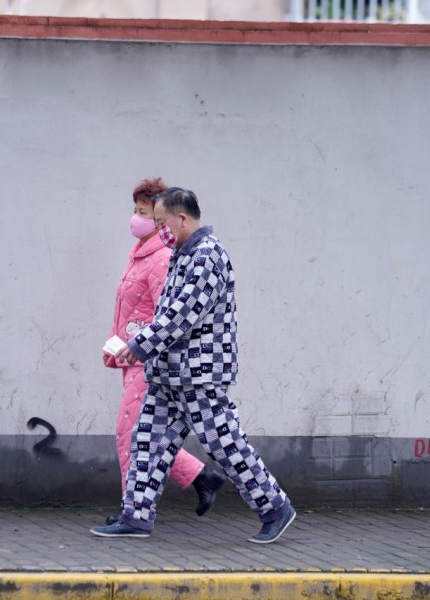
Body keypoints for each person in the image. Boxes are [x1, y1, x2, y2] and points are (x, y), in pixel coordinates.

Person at [91, 187, 296, 544]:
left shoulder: (207, 256)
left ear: (181, 218)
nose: (158, 228)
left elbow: (179, 316)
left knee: (226, 445)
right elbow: (167, 316)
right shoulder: (182, 254)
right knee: (147, 441)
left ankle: (275, 508)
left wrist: (139, 346)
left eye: (160, 221)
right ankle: (135, 517)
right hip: (170, 374)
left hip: (198, 375)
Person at [102, 178, 225, 525]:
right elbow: (130, 311)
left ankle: (132, 512)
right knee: (147, 436)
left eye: (146, 214)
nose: (137, 219)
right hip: (134, 357)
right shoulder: (140, 256)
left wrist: (137, 347)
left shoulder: (159, 259)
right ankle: (203, 478)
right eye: (137, 211)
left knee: (133, 436)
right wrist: (115, 346)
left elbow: (164, 316)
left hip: (148, 360)